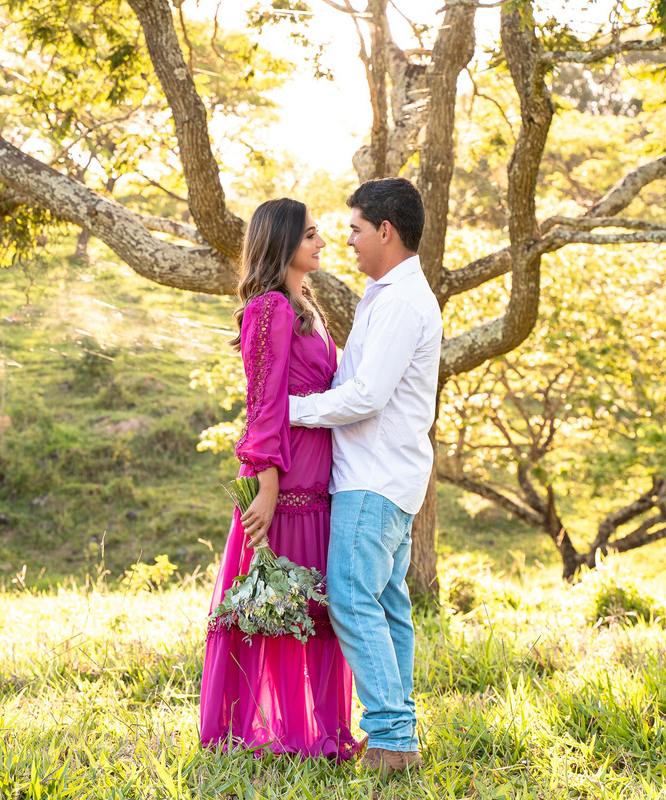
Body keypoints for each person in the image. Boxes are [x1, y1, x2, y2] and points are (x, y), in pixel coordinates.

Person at [288, 177, 441, 777]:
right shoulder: (388, 294)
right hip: (389, 475)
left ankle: (392, 739)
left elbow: (368, 396)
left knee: (352, 599)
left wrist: (288, 410)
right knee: (387, 606)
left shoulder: (400, 301)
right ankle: (397, 731)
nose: (345, 240)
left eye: (354, 229)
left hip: (374, 479)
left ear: (386, 230)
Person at [198, 197, 357, 761]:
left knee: (311, 607)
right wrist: (266, 482)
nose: (321, 242)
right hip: (282, 482)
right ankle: (275, 735)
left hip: (317, 482)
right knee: (277, 604)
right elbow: (262, 401)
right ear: (283, 242)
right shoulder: (270, 307)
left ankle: (316, 730)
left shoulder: (305, 305)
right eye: (310, 234)